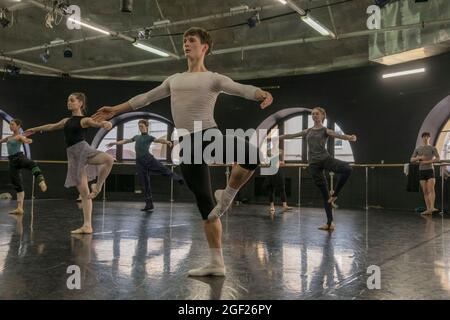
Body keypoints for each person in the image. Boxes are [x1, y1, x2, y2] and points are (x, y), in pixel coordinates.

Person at [93, 27, 273, 276]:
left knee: (252, 156)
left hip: (209, 135)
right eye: (184, 41)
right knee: (206, 207)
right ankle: (217, 263)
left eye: (191, 41)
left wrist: (259, 94)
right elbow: (145, 98)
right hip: (187, 145)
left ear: (204, 47)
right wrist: (115, 110)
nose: (186, 44)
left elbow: (239, 88)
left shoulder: (213, 78)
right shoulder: (174, 79)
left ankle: (229, 195)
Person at [26, 92, 114, 234]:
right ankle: (87, 226)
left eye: (72, 100)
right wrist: (35, 129)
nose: (69, 102)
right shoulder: (66, 120)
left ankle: (98, 186)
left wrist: (104, 123)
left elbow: (94, 123)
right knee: (84, 193)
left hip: (84, 150)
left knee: (109, 159)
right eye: (68, 100)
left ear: (80, 103)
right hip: (73, 157)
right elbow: (52, 126)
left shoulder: (84, 120)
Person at [280, 107, 356, 231]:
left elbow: (337, 135)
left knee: (347, 169)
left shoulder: (325, 130)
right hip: (313, 165)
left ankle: (335, 194)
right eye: (313, 114)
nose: (314, 115)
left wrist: (349, 137)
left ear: (322, 116)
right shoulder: (308, 130)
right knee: (325, 195)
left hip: (325, 159)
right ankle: (330, 223)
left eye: (317, 114)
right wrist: (279, 137)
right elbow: (292, 135)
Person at [106, 119, 184, 211]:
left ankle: (179, 178)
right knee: (145, 183)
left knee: (163, 169)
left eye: (142, 126)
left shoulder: (149, 137)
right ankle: (149, 204)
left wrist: (167, 142)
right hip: (139, 161)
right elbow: (125, 141)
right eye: (139, 126)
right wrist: (114, 143)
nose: (140, 128)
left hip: (148, 158)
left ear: (147, 127)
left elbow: (158, 140)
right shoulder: (136, 137)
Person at [0, 119, 47, 215]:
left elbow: (24, 139)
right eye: (10, 124)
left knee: (31, 164)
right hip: (12, 161)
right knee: (17, 184)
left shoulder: (19, 136)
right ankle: (19, 208)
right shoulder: (9, 138)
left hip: (19, 157)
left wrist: (27, 140)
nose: (10, 126)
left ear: (18, 126)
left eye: (12, 124)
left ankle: (41, 180)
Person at [410, 132, 440, 215]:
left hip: (430, 170)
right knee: (425, 191)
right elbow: (411, 159)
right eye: (424, 137)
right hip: (421, 171)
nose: (426, 138)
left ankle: (432, 207)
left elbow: (438, 158)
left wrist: (428, 161)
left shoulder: (433, 148)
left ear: (429, 138)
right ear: (422, 138)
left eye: (427, 137)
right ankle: (428, 209)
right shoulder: (418, 148)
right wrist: (419, 157)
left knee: (431, 189)